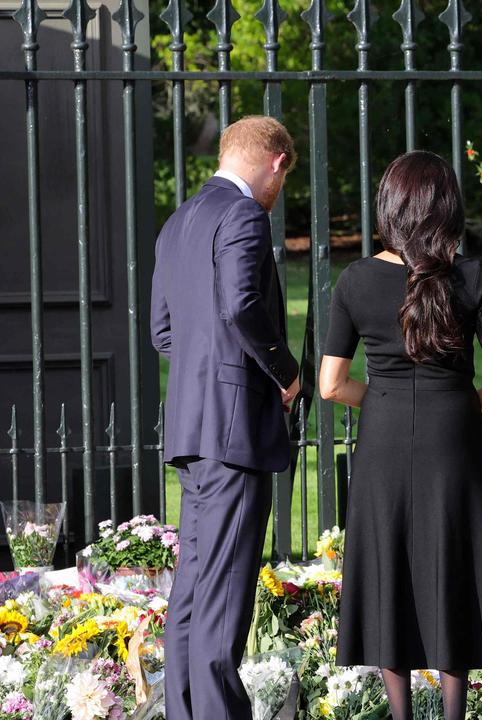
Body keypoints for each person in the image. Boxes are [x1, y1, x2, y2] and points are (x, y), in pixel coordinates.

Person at [318, 151, 482, 720]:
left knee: (387, 562)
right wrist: (462, 402)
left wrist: (381, 398)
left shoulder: (355, 280)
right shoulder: (472, 277)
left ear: (390, 206)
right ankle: (454, 711)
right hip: (453, 433)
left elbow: (331, 385)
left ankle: (401, 712)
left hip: (382, 436)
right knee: (453, 557)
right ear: (446, 207)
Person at [150, 115, 300, 720]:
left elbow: (164, 332)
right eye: (284, 178)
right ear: (277, 162)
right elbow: (242, 305)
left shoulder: (176, 221)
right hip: (234, 431)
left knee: (193, 589)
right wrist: (285, 373)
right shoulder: (243, 215)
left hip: (191, 427)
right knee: (225, 592)